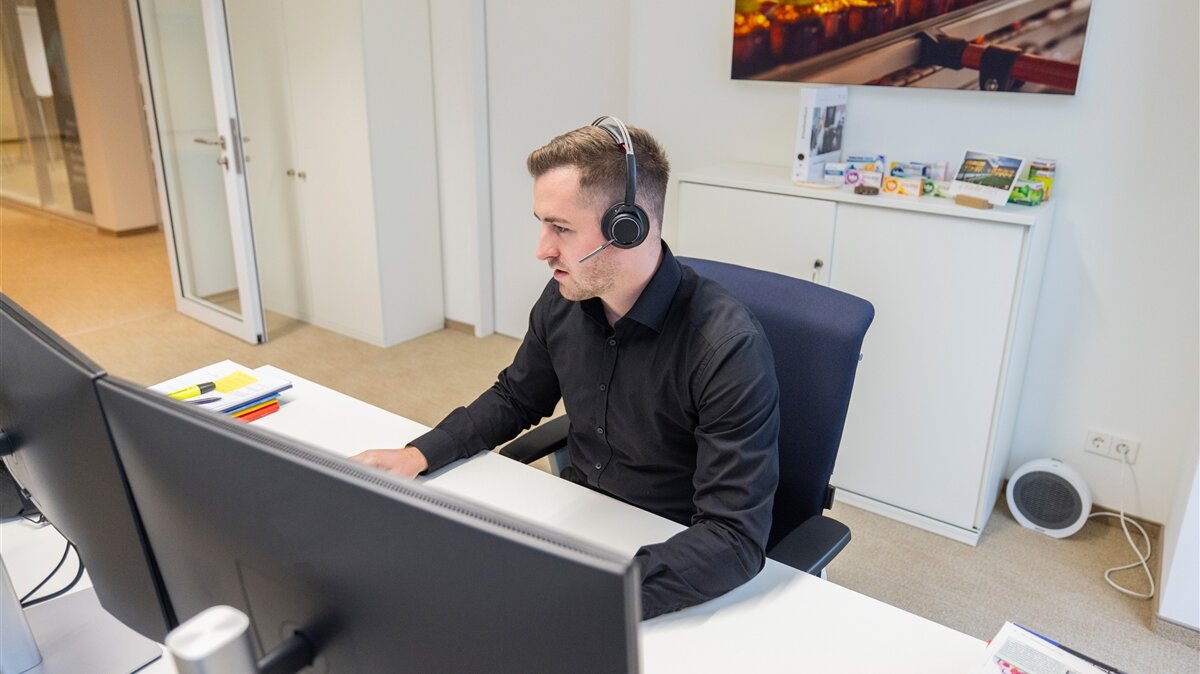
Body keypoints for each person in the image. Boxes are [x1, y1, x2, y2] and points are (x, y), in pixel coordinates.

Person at [351, 118, 780, 619]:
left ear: (628, 227)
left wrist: (594, 596)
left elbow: (733, 538)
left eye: (561, 228)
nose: (541, 249)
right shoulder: (565, 299)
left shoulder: (726, 348)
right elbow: (517, 396)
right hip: (580, 518)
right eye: (541, 223)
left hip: (671, 555)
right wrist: (419, 454)